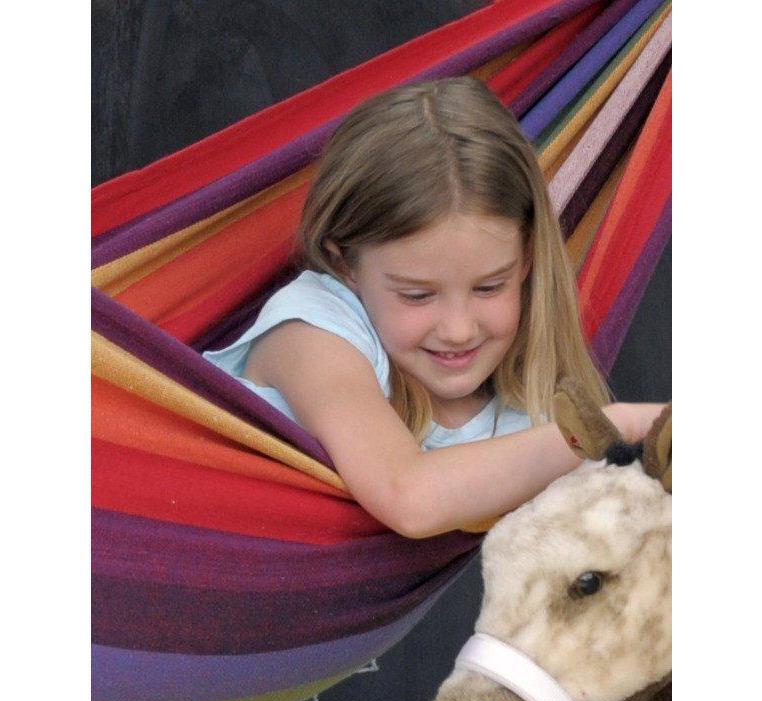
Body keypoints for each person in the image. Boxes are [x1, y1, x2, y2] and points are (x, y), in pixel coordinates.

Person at [204, 77, 665, 538]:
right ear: (345, 263)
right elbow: (410, 498)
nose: (460, 330)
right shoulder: (310, 331)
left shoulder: (529, 422)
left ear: (526, 260)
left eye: (489, 287)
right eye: (417, 295)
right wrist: (619, 425)